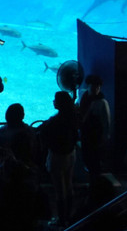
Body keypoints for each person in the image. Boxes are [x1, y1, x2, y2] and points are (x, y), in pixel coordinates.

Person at [39, 91, 79, 228]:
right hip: (71, 154)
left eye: (55, 99)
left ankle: (61, 220)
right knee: (69, 185)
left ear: (60, 103)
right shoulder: (72, 117)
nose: (53, 101)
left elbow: (43, 133)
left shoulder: (54, 121)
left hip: (57, 157)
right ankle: (69, 216)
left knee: (59, 190)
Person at [78, 74, 111, 178]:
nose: (96, 89)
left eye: (98, 87)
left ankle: (96, 179)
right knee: (87, 158)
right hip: (85, 134)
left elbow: (106, 121)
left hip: (96, 136)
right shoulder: (83, 97)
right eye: (94, 86)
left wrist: (105, 136)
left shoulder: (102, 102)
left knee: (95, 160)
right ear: (88, 86)